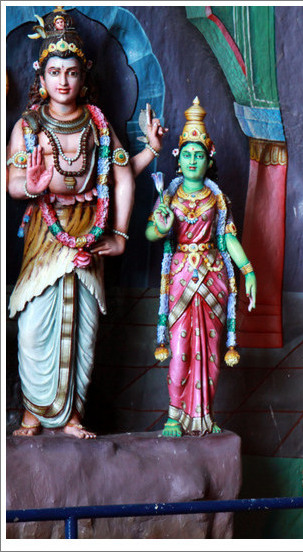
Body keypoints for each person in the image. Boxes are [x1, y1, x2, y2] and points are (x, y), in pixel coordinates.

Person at [6, 8, 164, 438]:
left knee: (83, 325)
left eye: (71, 72)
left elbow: (122, 175)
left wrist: (120, 234)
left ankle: (73, 415)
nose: (63, 81)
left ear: (84, 76)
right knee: (35, 320)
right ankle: (32, 413)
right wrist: (33, 184)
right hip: (46, 229)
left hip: (89, 228)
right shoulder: (29, 126)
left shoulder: (96, 123)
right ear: (40, 79)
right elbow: (12, 181)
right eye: (54, 72)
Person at [146, 97, 257, 437]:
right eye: (188, 154)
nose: (194, 160)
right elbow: (152, 232)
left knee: (210, 350)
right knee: (180, 348)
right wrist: (162, 226)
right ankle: (175, 415)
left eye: (200, 155)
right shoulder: (169, 197)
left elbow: (229, 240)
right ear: (179, 160)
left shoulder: (217, 199)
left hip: (213, 277)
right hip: (180, 275)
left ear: (209, 160)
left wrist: (248, 270)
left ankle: (204, 415)